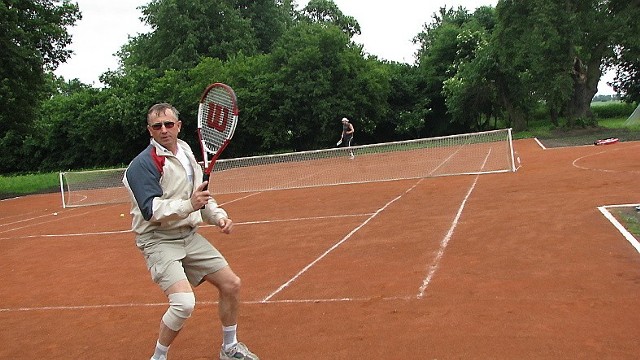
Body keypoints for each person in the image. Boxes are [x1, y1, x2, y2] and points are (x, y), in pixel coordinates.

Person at [122, 103, 259, 360]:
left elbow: (200, 196)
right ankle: (158, 357)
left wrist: (218, 216)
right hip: (158, 240)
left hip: (188, 235)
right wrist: (190, 205)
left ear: (179, 126)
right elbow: (151, 210)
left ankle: (229, 348)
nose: (164, 130)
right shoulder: (143, 165)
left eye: (169, 124)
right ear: (149, 130)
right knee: (184, 303)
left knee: (231, 284)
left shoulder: (185, 152)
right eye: (157, 126)